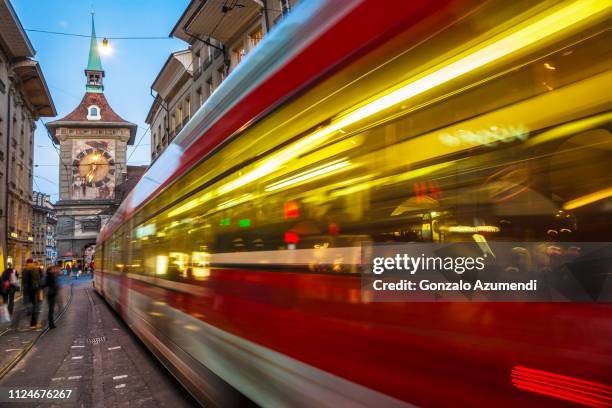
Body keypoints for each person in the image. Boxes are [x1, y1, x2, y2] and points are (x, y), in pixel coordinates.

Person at [22, 259, 42, 328]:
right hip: (32, 291)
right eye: (31, 263)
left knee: (32, 307)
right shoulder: (30, 270)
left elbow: (24, 282)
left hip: (31, 291)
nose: (32, 264)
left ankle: (33, 323)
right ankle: (33, 323)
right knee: (33, 307)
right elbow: (37, 280)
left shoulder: (27, 270)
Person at [44, 264, 60, 329]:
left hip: (49, 293)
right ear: (51, 270)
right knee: (51, 309)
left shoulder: (47, 275)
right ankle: (51, 323)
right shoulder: (51, 276)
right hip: (52, 294)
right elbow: (54, 285)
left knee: (51, 309)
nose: (54, 270)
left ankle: (51, 323)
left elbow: (45, 284)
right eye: (53, 269)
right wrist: (56, 288)